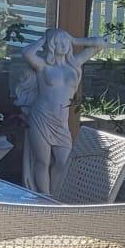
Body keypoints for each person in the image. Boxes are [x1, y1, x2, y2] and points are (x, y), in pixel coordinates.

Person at [15, 28, 104, 195]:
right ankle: (45, 198)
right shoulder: (43, 66)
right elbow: (27, 52)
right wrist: (46, 38)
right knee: (43, 162)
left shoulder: (74, 64)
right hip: (41, 118)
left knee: (64, 163)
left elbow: (99, 43)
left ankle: (55, 196)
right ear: (51, 45)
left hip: (61, 123)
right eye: (57, 42)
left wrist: (75, 40)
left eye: (65, 42)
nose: (63, 45)